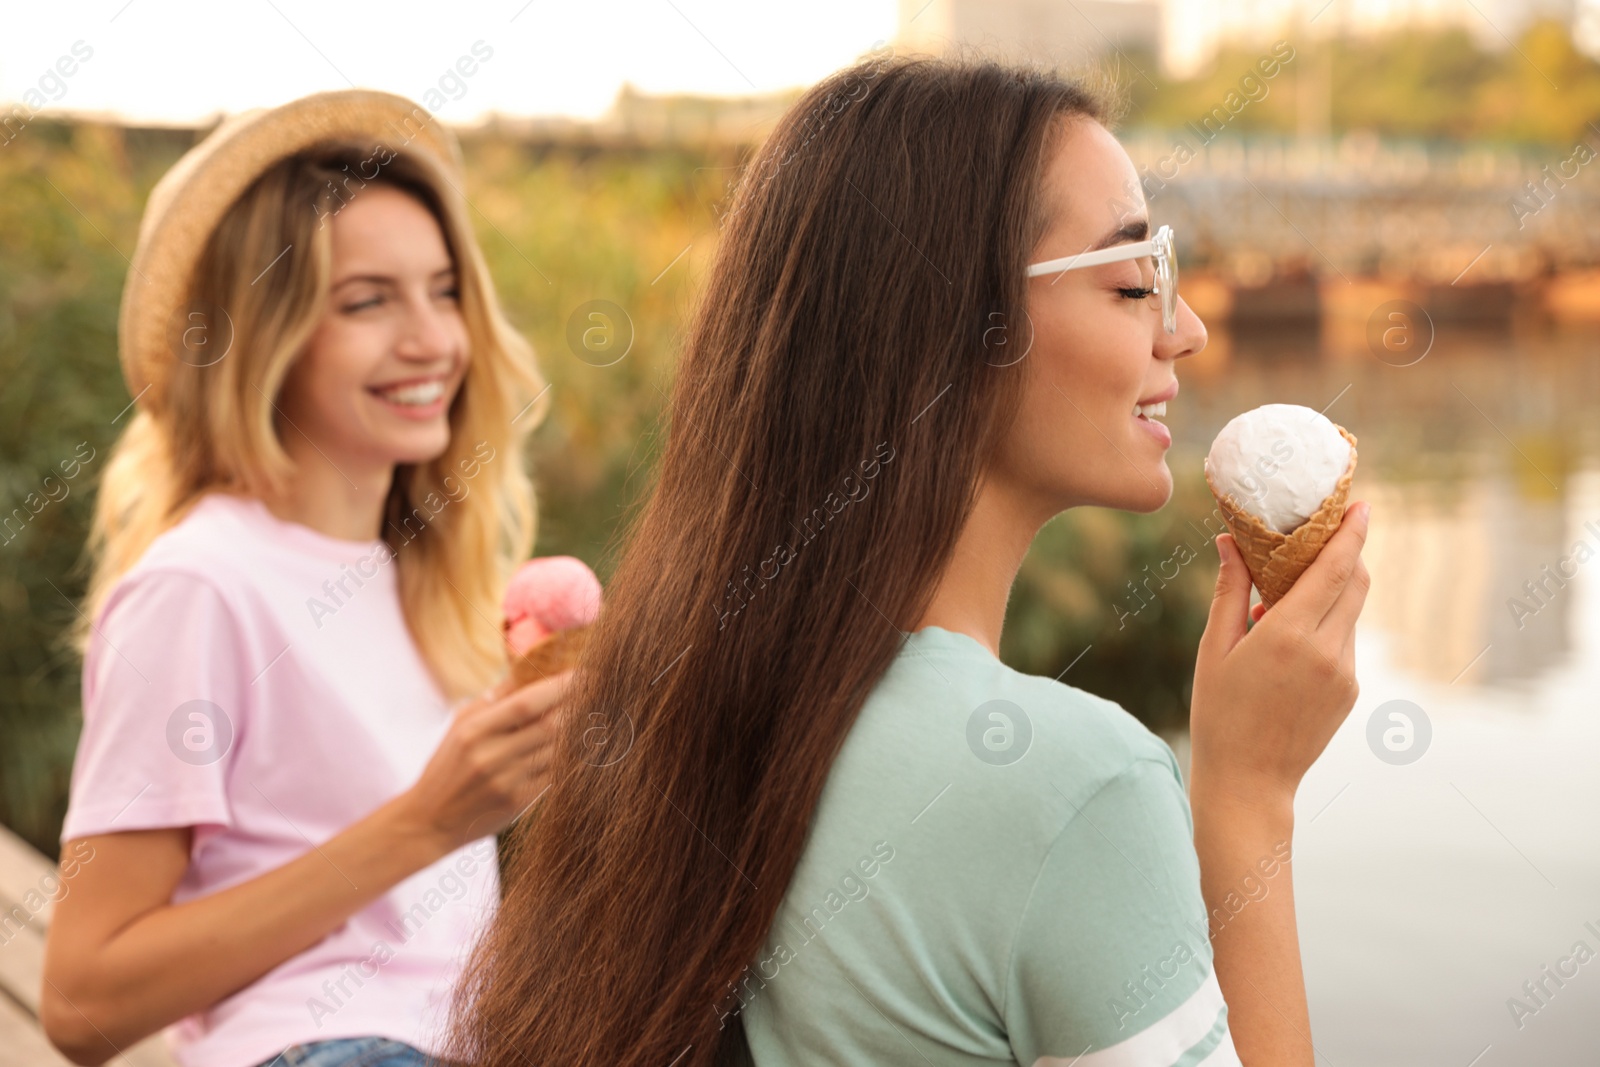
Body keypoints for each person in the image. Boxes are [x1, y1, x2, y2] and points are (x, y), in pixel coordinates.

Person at [446, 54, 1371, 1067]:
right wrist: (1245, 798)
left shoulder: (655, 689)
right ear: (951, 327)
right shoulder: (1074, 782)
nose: (1184, 329)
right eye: (1131, 278)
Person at [40, 90, 571, 1067]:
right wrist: (427, 820)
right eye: (367, 300)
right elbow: (80, 998)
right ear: (261, 338)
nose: (431, 340)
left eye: (445, 289)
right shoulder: (201, 584)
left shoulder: (423, 579)